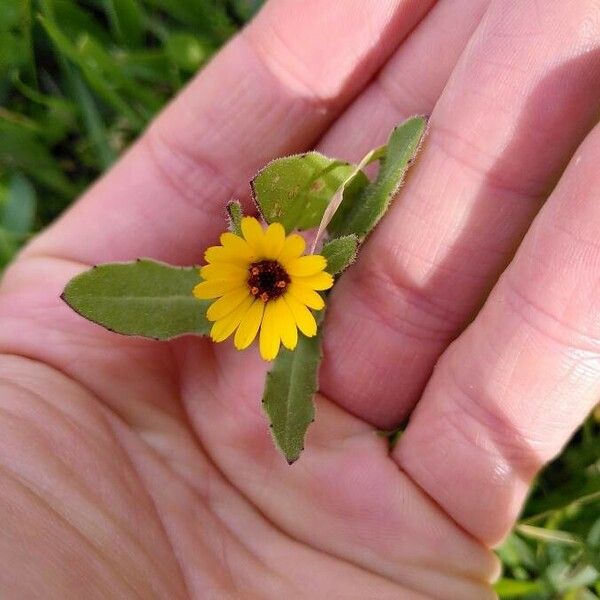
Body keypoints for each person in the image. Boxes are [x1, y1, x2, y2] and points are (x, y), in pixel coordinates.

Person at [1, 1, 599, 597]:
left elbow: (296, 280)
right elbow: (244, 296)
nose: (266, 282)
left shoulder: (279, 267)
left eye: (271, 278)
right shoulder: (246, 280)